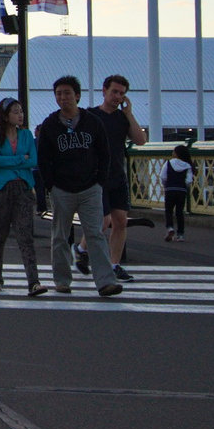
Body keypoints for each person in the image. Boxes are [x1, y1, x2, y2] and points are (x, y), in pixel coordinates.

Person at [34, 76, 123, 296]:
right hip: (62, 188)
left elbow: (104, 153)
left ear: (77, 95)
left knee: (95, 233)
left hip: (90, 187)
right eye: (58, 94)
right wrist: (51, 184)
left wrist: (99, 181)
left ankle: (105, 281)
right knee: (60, 236)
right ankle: (62, 280)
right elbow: (44, 158)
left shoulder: (92, 122)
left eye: (66, 93)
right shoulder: (50, 125)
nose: (62, 97)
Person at [77, 74, 148, 282]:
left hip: (118, 174)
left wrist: (129, 114)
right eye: (114, 92)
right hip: (96, 176)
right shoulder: (90, 116)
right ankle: (81, 248)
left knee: (120, 221)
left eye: (121, 94)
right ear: (104, 91)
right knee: (103, 220)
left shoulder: (123, 118)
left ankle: (114, 264)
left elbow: (140, 140)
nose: (117, 97)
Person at [0, 97, 45, 296]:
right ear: (5, 115)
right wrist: (20, 159)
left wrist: (14, 161)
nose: (20, 115)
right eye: (16, 112)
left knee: (25, 235)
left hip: (23, 189)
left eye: (21, 111)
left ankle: (33, 282)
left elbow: (33, 160)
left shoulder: (26, 135)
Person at [162, 146, 195, 242]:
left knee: (168, 210)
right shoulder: (187, 166)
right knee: (179, 212)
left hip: (170, 189)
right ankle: (180, 234)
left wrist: (166, 186)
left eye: (173, 152)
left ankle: (170, 228)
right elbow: (189, 181)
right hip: (181, 190)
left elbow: (163, 177)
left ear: (176, 154)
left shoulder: (168, 163)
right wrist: (183, 186)